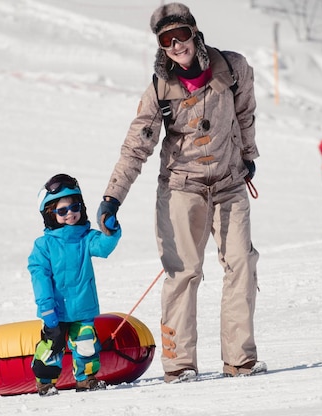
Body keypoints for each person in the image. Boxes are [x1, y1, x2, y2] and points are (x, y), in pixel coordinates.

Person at [95, 3, 265, 383]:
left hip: (229, 183)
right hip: (181, 188)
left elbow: (246, 114)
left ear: (194, 33)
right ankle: (180, 364)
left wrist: (248, 156)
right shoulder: (160, 88)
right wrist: (112, 197)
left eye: (181, 36)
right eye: (166, 40)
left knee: (242, 264)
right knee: (183, 273)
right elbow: (136, 146)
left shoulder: (232, 68)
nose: (176, 45)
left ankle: (240, 359)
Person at [29, 173, 121, 396]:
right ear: (50, 213)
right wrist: (46, 307)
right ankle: (45, 382)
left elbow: (104, 247)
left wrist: (111, 230)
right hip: (56, 311)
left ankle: (86, 379)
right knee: (53, 347)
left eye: (74, 207)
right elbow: (39, 278)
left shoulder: (86, 237)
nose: (70, 214)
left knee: (86, 344)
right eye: (62, 211)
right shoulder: (44, 246)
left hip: (82, 308)